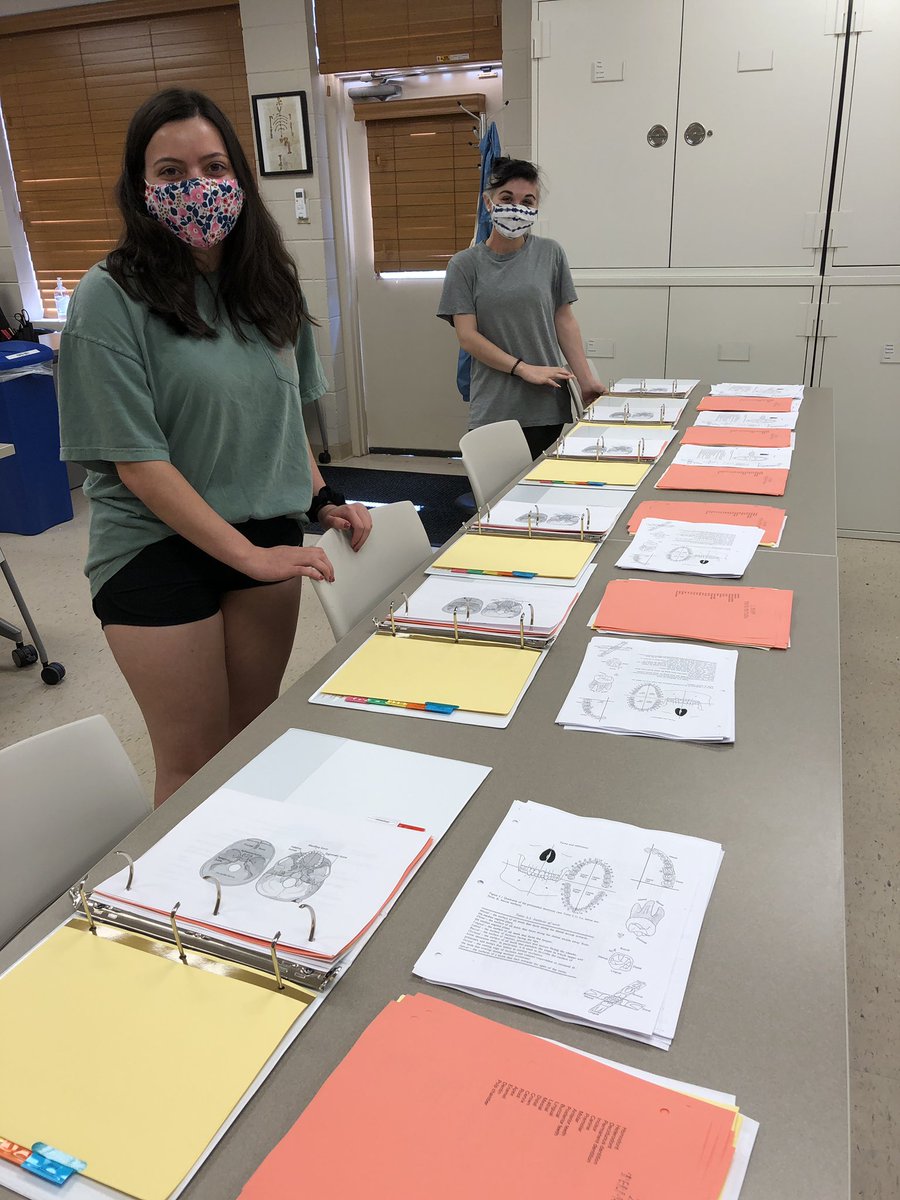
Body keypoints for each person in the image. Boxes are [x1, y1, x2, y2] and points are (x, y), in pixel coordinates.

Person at [58, 88, 371, 807]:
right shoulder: (109, 296)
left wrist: (322, 497)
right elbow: (137, 463)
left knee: (252, 738)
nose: (195, 186)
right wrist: (250, 557)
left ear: (240, 178)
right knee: (195, 762)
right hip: (154, 546)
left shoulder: (266, 287)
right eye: (170, 172)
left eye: (212, 165)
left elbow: (284, 414)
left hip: (263, 525)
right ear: (142, 188)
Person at [437, 157, 604, 458]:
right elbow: (467, 337)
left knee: (546, 498)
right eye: (506, 198)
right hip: (495, 407)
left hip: (546, 405)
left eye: (527, 201)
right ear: (489, 203)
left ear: (536, 208)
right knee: (499, 500)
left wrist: (586, 380)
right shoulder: (464, 265)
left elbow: (563, 320)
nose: (517, 207)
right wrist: (523, 369)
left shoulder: (550, 253)